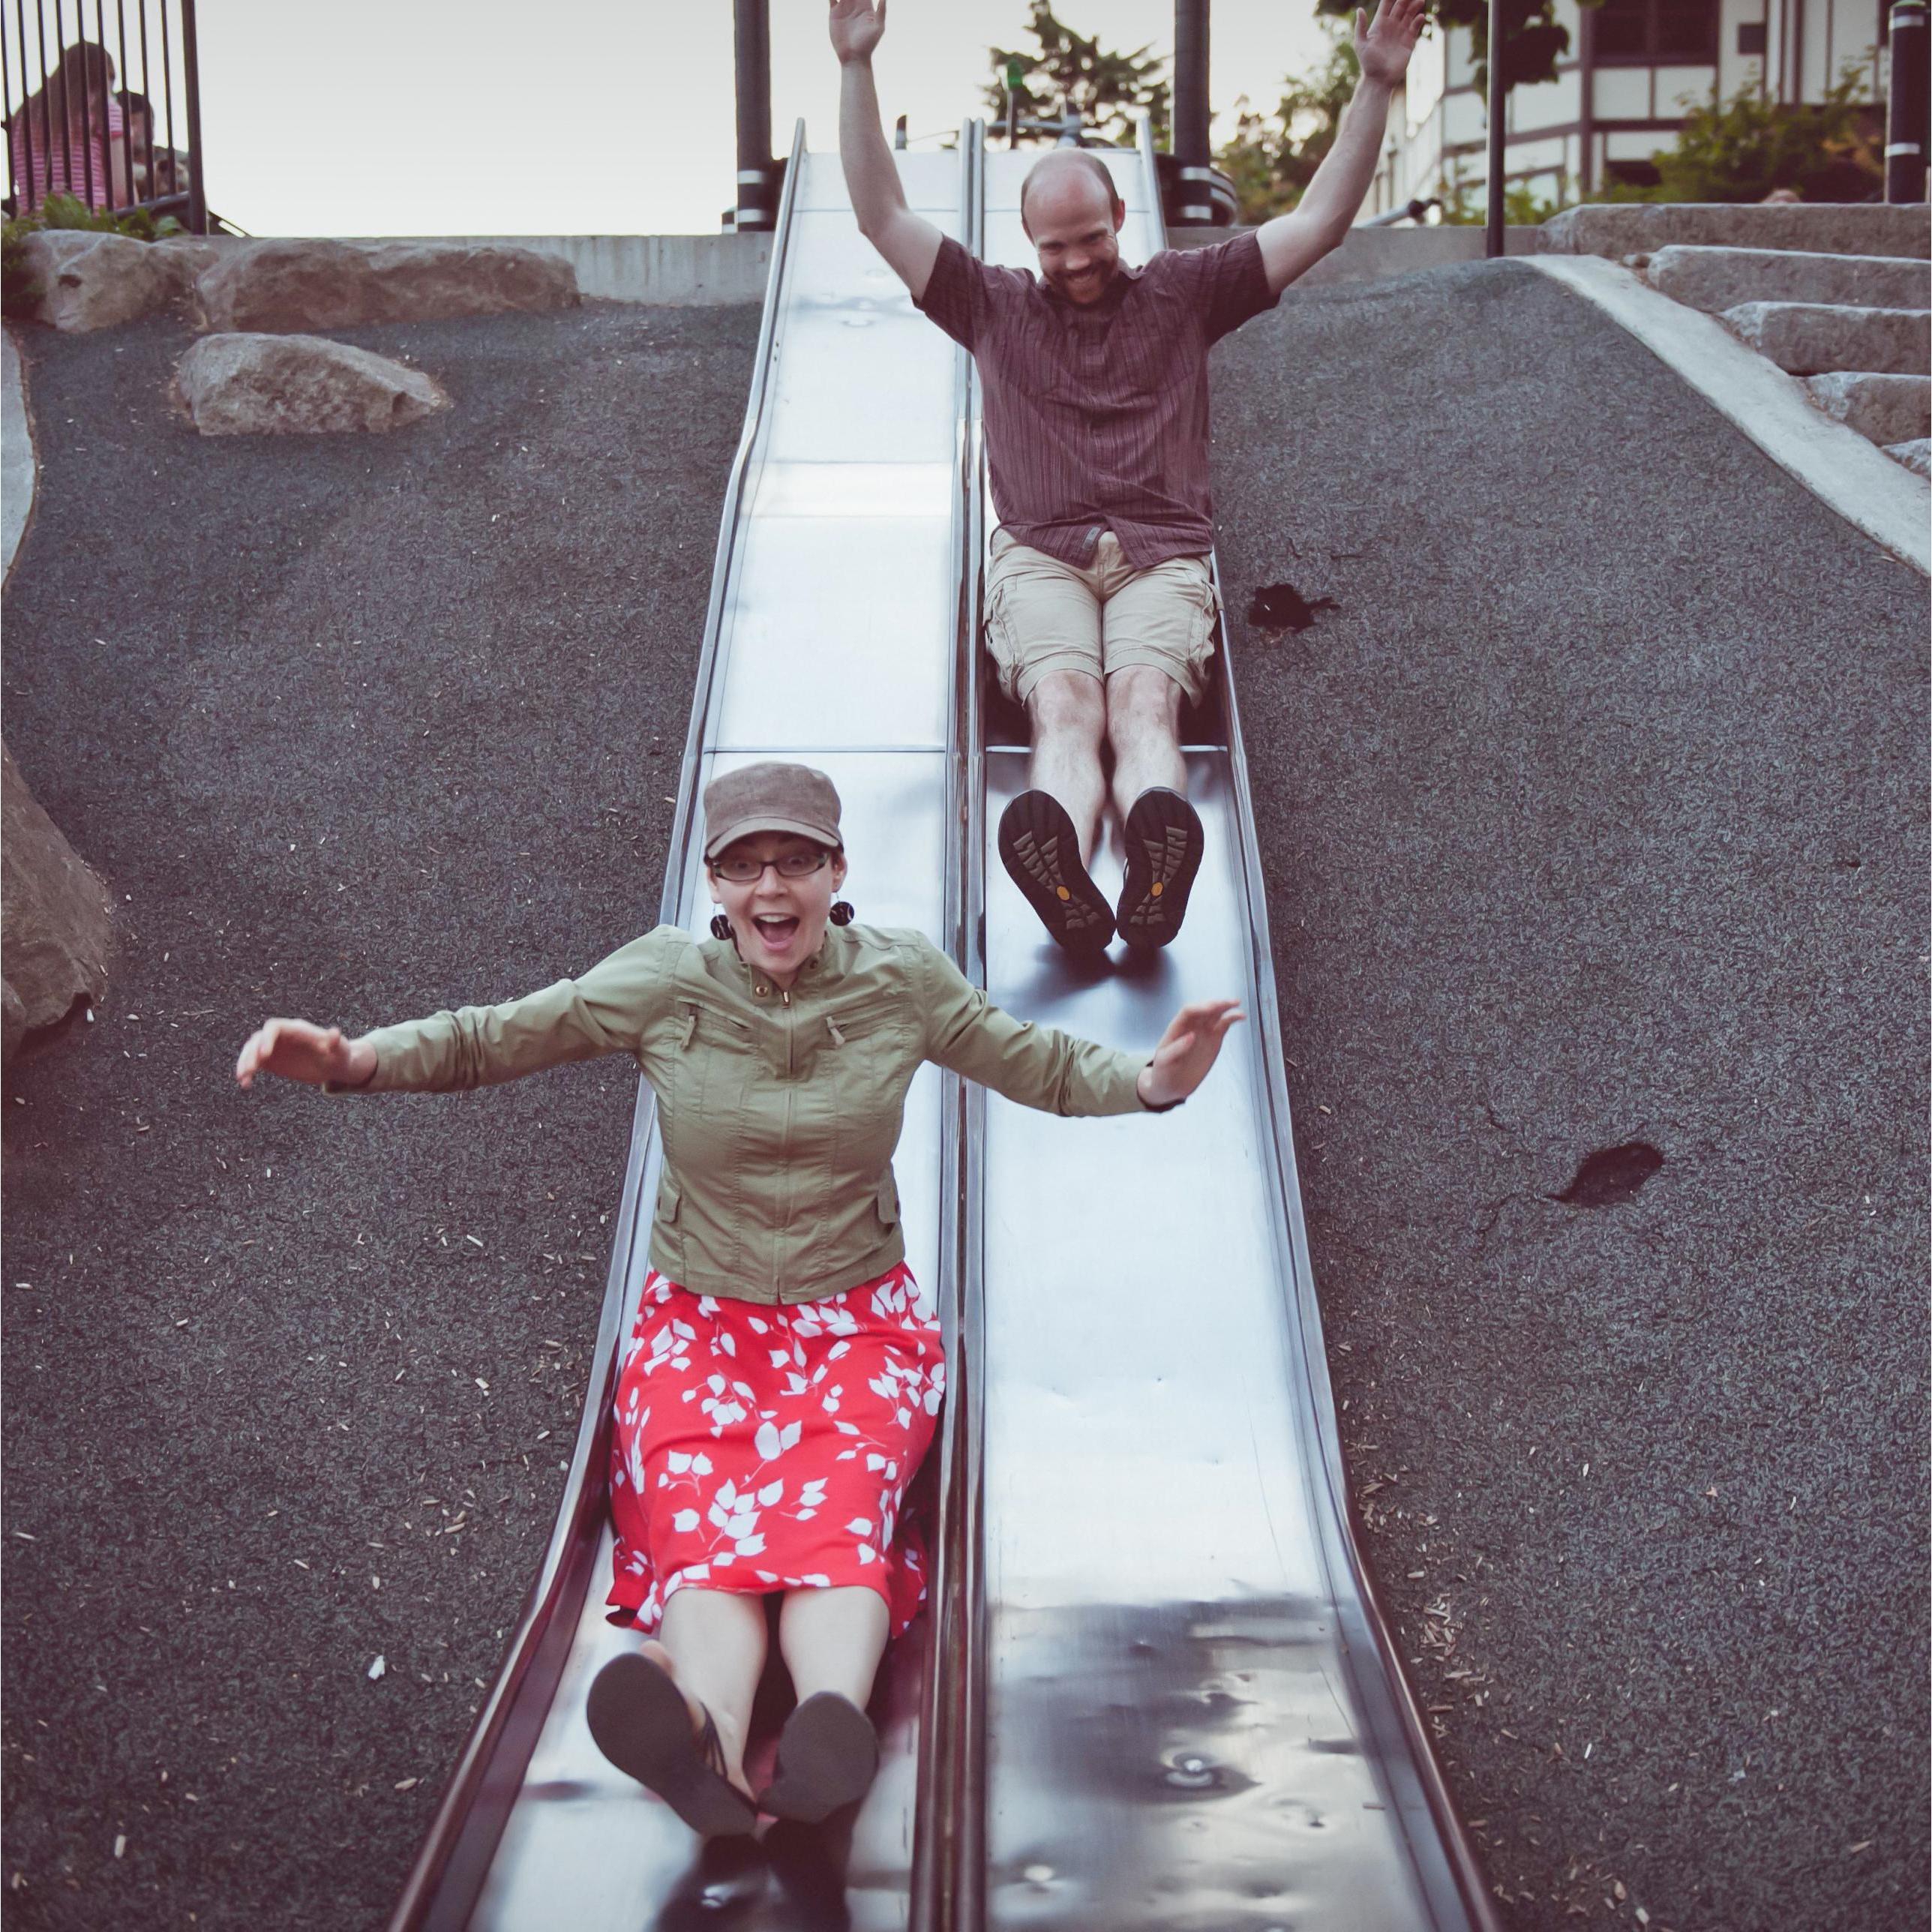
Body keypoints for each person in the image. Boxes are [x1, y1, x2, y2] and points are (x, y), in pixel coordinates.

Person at [233, 760, 1241, 1837]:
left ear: (837, 869)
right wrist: (356, 1060)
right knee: (702, 1515)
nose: (771, 886)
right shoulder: (664, 982)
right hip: (700, 1319)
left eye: (795, 859)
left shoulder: (899, 979)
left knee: (837, 1511)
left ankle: (825, 1721)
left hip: (858, 1319)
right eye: (744, 864)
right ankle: (703, 1728)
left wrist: (1152, 1082)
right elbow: (496, 1036)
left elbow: (1032, 1059)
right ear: (713, 882)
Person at [831, 0, 1426, 956]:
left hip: (1160, 557)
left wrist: (1375, 83)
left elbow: (1317, 224)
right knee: (1065, 704)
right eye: (1053, 245)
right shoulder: (989, 305)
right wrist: (856, 65)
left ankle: (1155, 864)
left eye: (1089, 236)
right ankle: (1059, 865)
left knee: (1144, 699)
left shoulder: (1187, 292)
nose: (1073, 261)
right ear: (1028, 239)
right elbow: (879, 215)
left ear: (1118, 217)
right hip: (1040, 556)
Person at [8, 40, 128, 214]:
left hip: (34, 222)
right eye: (112, 77)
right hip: (90, 219)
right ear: (105, 75)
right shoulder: (104, 110)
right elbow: (122, 192)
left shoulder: (24, 116)